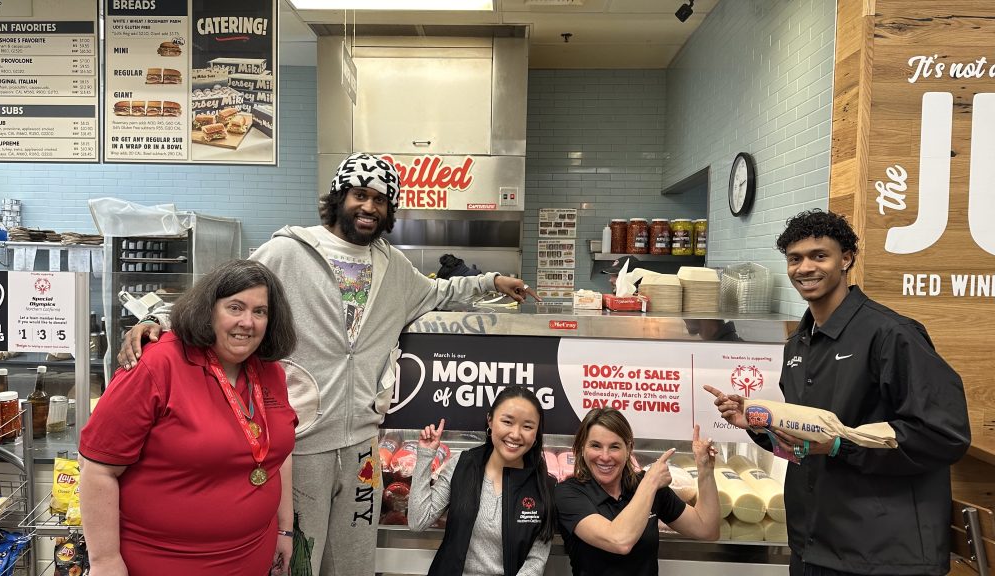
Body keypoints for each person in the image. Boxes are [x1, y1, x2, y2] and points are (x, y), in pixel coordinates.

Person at [116, 152, 539, 576]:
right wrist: (158, 321)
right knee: (297, 559)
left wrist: (493, 282)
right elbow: (222, 297)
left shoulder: (393, 266)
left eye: (380, 200)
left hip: (362, 447)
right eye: (360, 195)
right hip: (297, 442)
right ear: (339, 197)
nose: (370, 207)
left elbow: (440, 293)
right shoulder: (287, 251)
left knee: (354, 562)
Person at [704, 209, 971, 576]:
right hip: (813, 546)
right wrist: (755, 424)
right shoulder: (797, 344)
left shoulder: (891, 335)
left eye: (819, 256)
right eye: (795, 259)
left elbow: (944, 435)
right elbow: (802, 445)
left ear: (846, 259)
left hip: (884, 554)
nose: (805, 268)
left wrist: (839, 445)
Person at [80, 260, 298, 576]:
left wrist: (284, 529)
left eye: (260, 312)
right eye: (235, 308)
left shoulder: (270, 371)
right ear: (209, 310)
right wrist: (105, 561)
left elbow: (278, 454)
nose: (247, 322)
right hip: (165, 560)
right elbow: (98, 469)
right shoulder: (157, 364)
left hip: (252, 556)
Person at [408, 386, 556, 576]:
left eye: (527, 426)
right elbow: (418, 521)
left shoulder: (544, 486)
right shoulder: (462, 465)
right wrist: (426, 455)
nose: (516, 434)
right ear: (490, 421)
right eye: (507, 422)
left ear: (536, 432)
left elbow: (536, 560)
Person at [555, 408, 719, 576]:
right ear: (582, 448)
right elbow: (619, 541)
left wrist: (705, 469)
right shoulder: (569, 493)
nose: (604, 456)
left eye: (614, 447)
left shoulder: (648, 486)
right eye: (595, 446)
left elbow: (707, 529)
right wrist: (650, 483)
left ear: (629, 448)